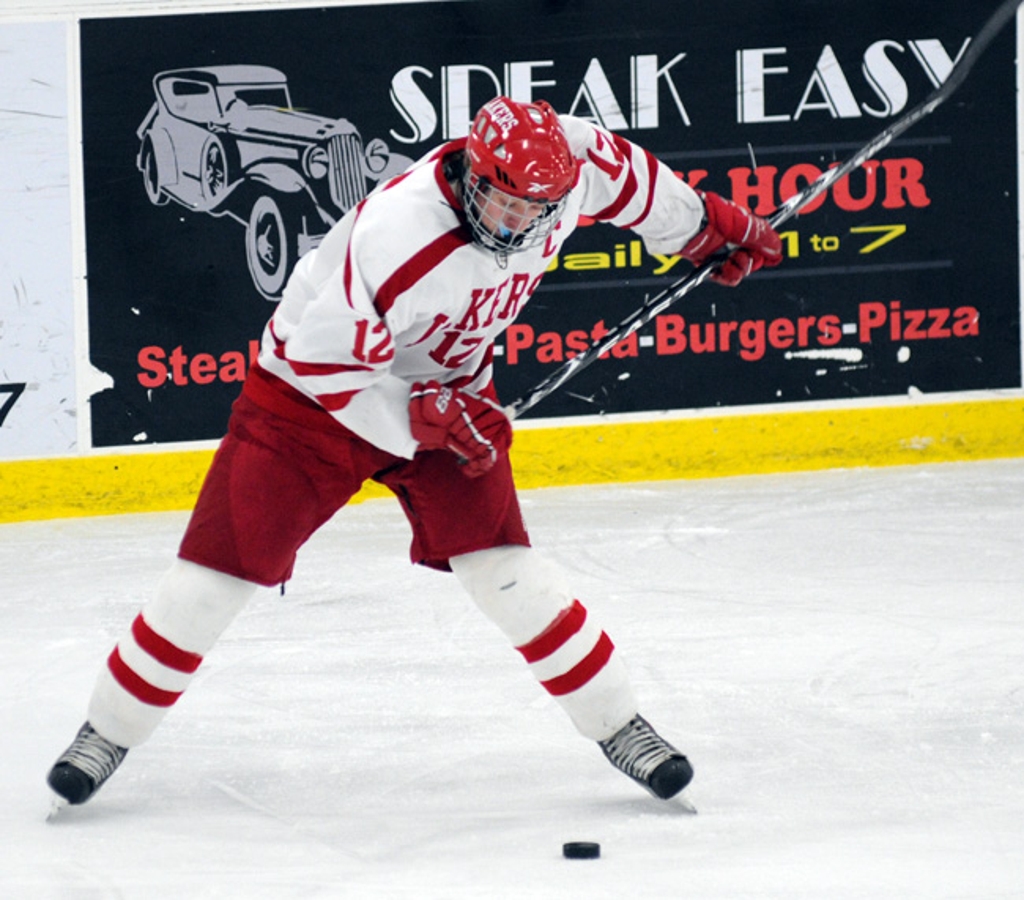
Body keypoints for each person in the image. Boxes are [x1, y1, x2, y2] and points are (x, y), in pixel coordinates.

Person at [47, 96, 782, 809]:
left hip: (450, 394)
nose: (519, 224)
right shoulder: (397, 235)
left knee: (504, 569)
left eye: (537, 210)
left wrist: (704, 230)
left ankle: (620, 725)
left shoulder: (570, 165)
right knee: (215, 577)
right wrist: (415, 415)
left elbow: (638, 186)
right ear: (470, 177)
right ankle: (107, 732)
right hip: (310, 401)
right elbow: (323, 362)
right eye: (504, 204)